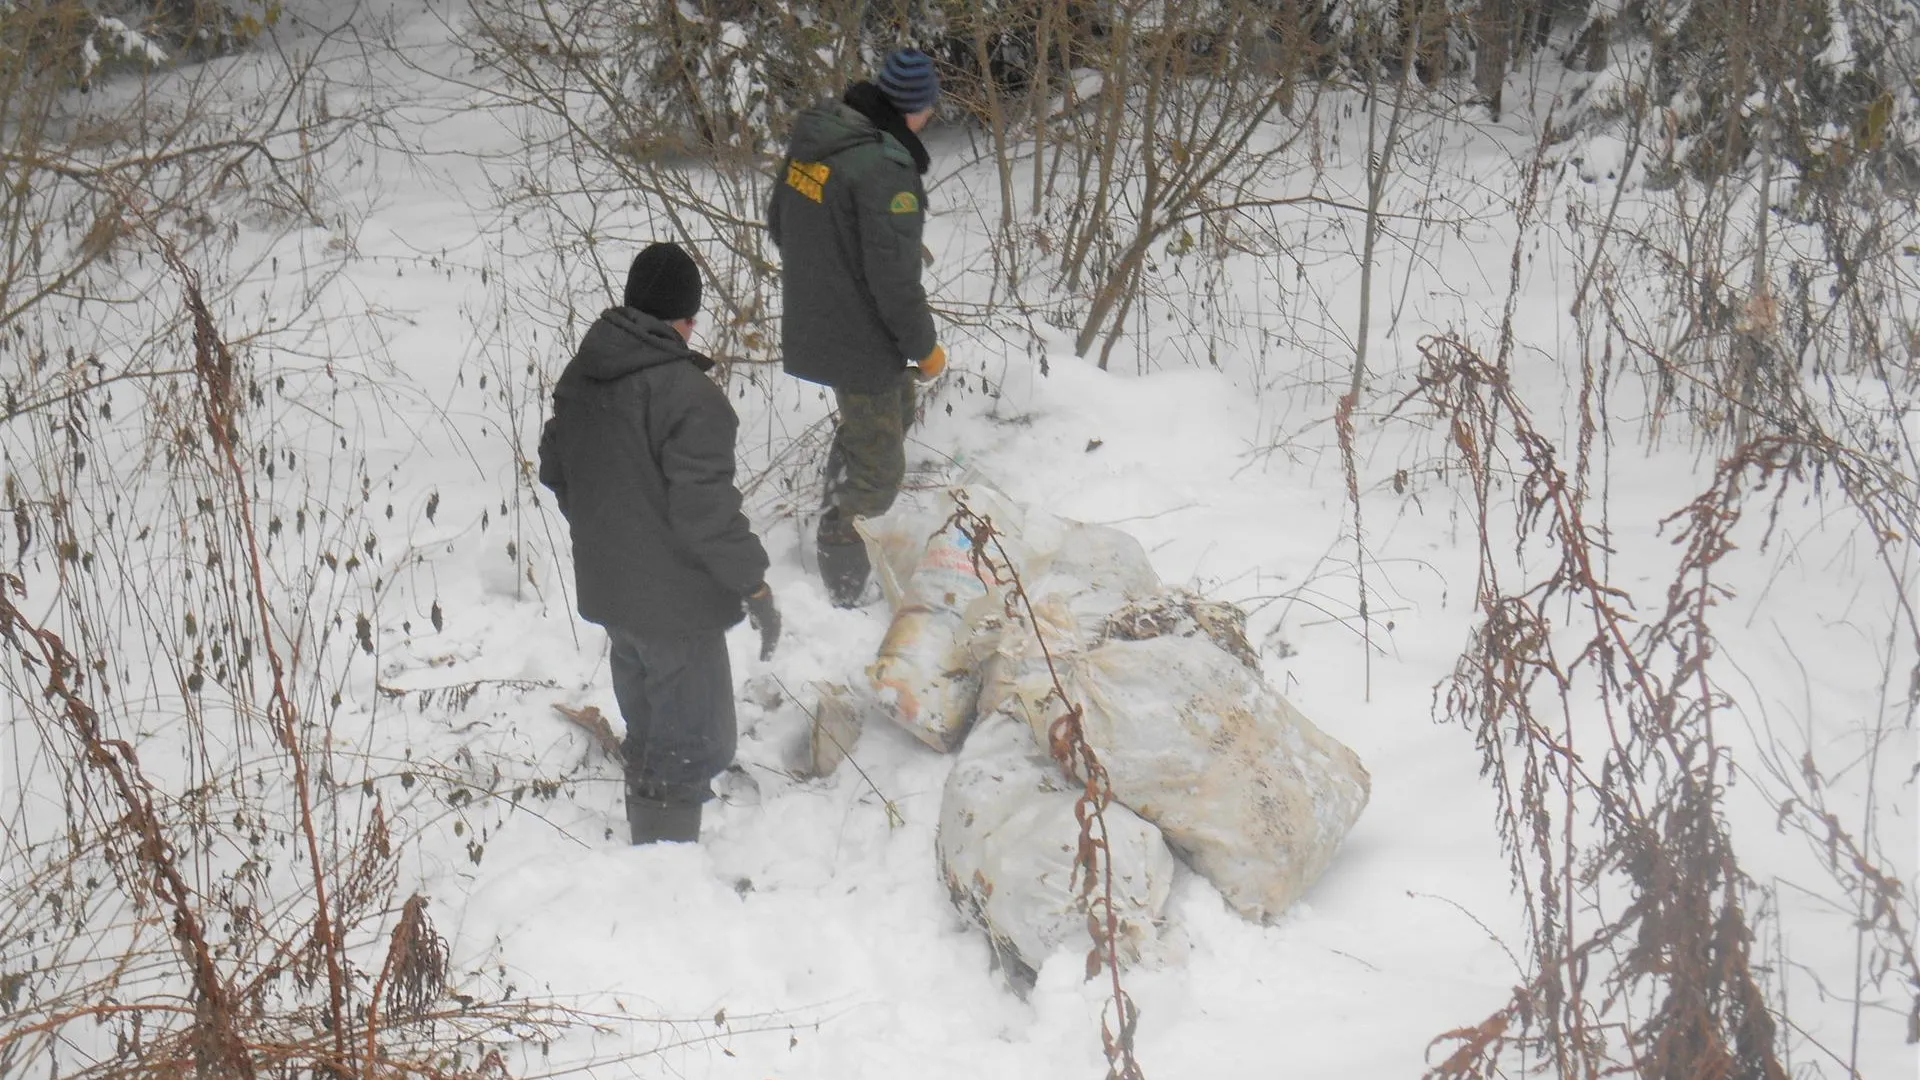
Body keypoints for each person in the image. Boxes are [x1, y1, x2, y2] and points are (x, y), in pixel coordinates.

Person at [537, 242, 780, 845]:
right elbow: (706, 513)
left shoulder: (585, 374)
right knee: (699, 744)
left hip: (614, 594)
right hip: (675, 606)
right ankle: (662, 875)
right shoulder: (687, 397)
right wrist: (753, 582)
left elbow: (557, 467)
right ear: (685, 317)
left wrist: (608, 533)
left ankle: (648, 857)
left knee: (651, 730)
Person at [768, 47, 947, 608]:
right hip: (861, 333)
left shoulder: (824, 135)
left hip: (825, 314)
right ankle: (842, 572)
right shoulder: (885, 165)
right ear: (918, 108)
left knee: (891, 416)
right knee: (879, 469)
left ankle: (835, 504)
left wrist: (843, 261)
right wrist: (926, 348)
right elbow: (895, 286)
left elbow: (782, 222)